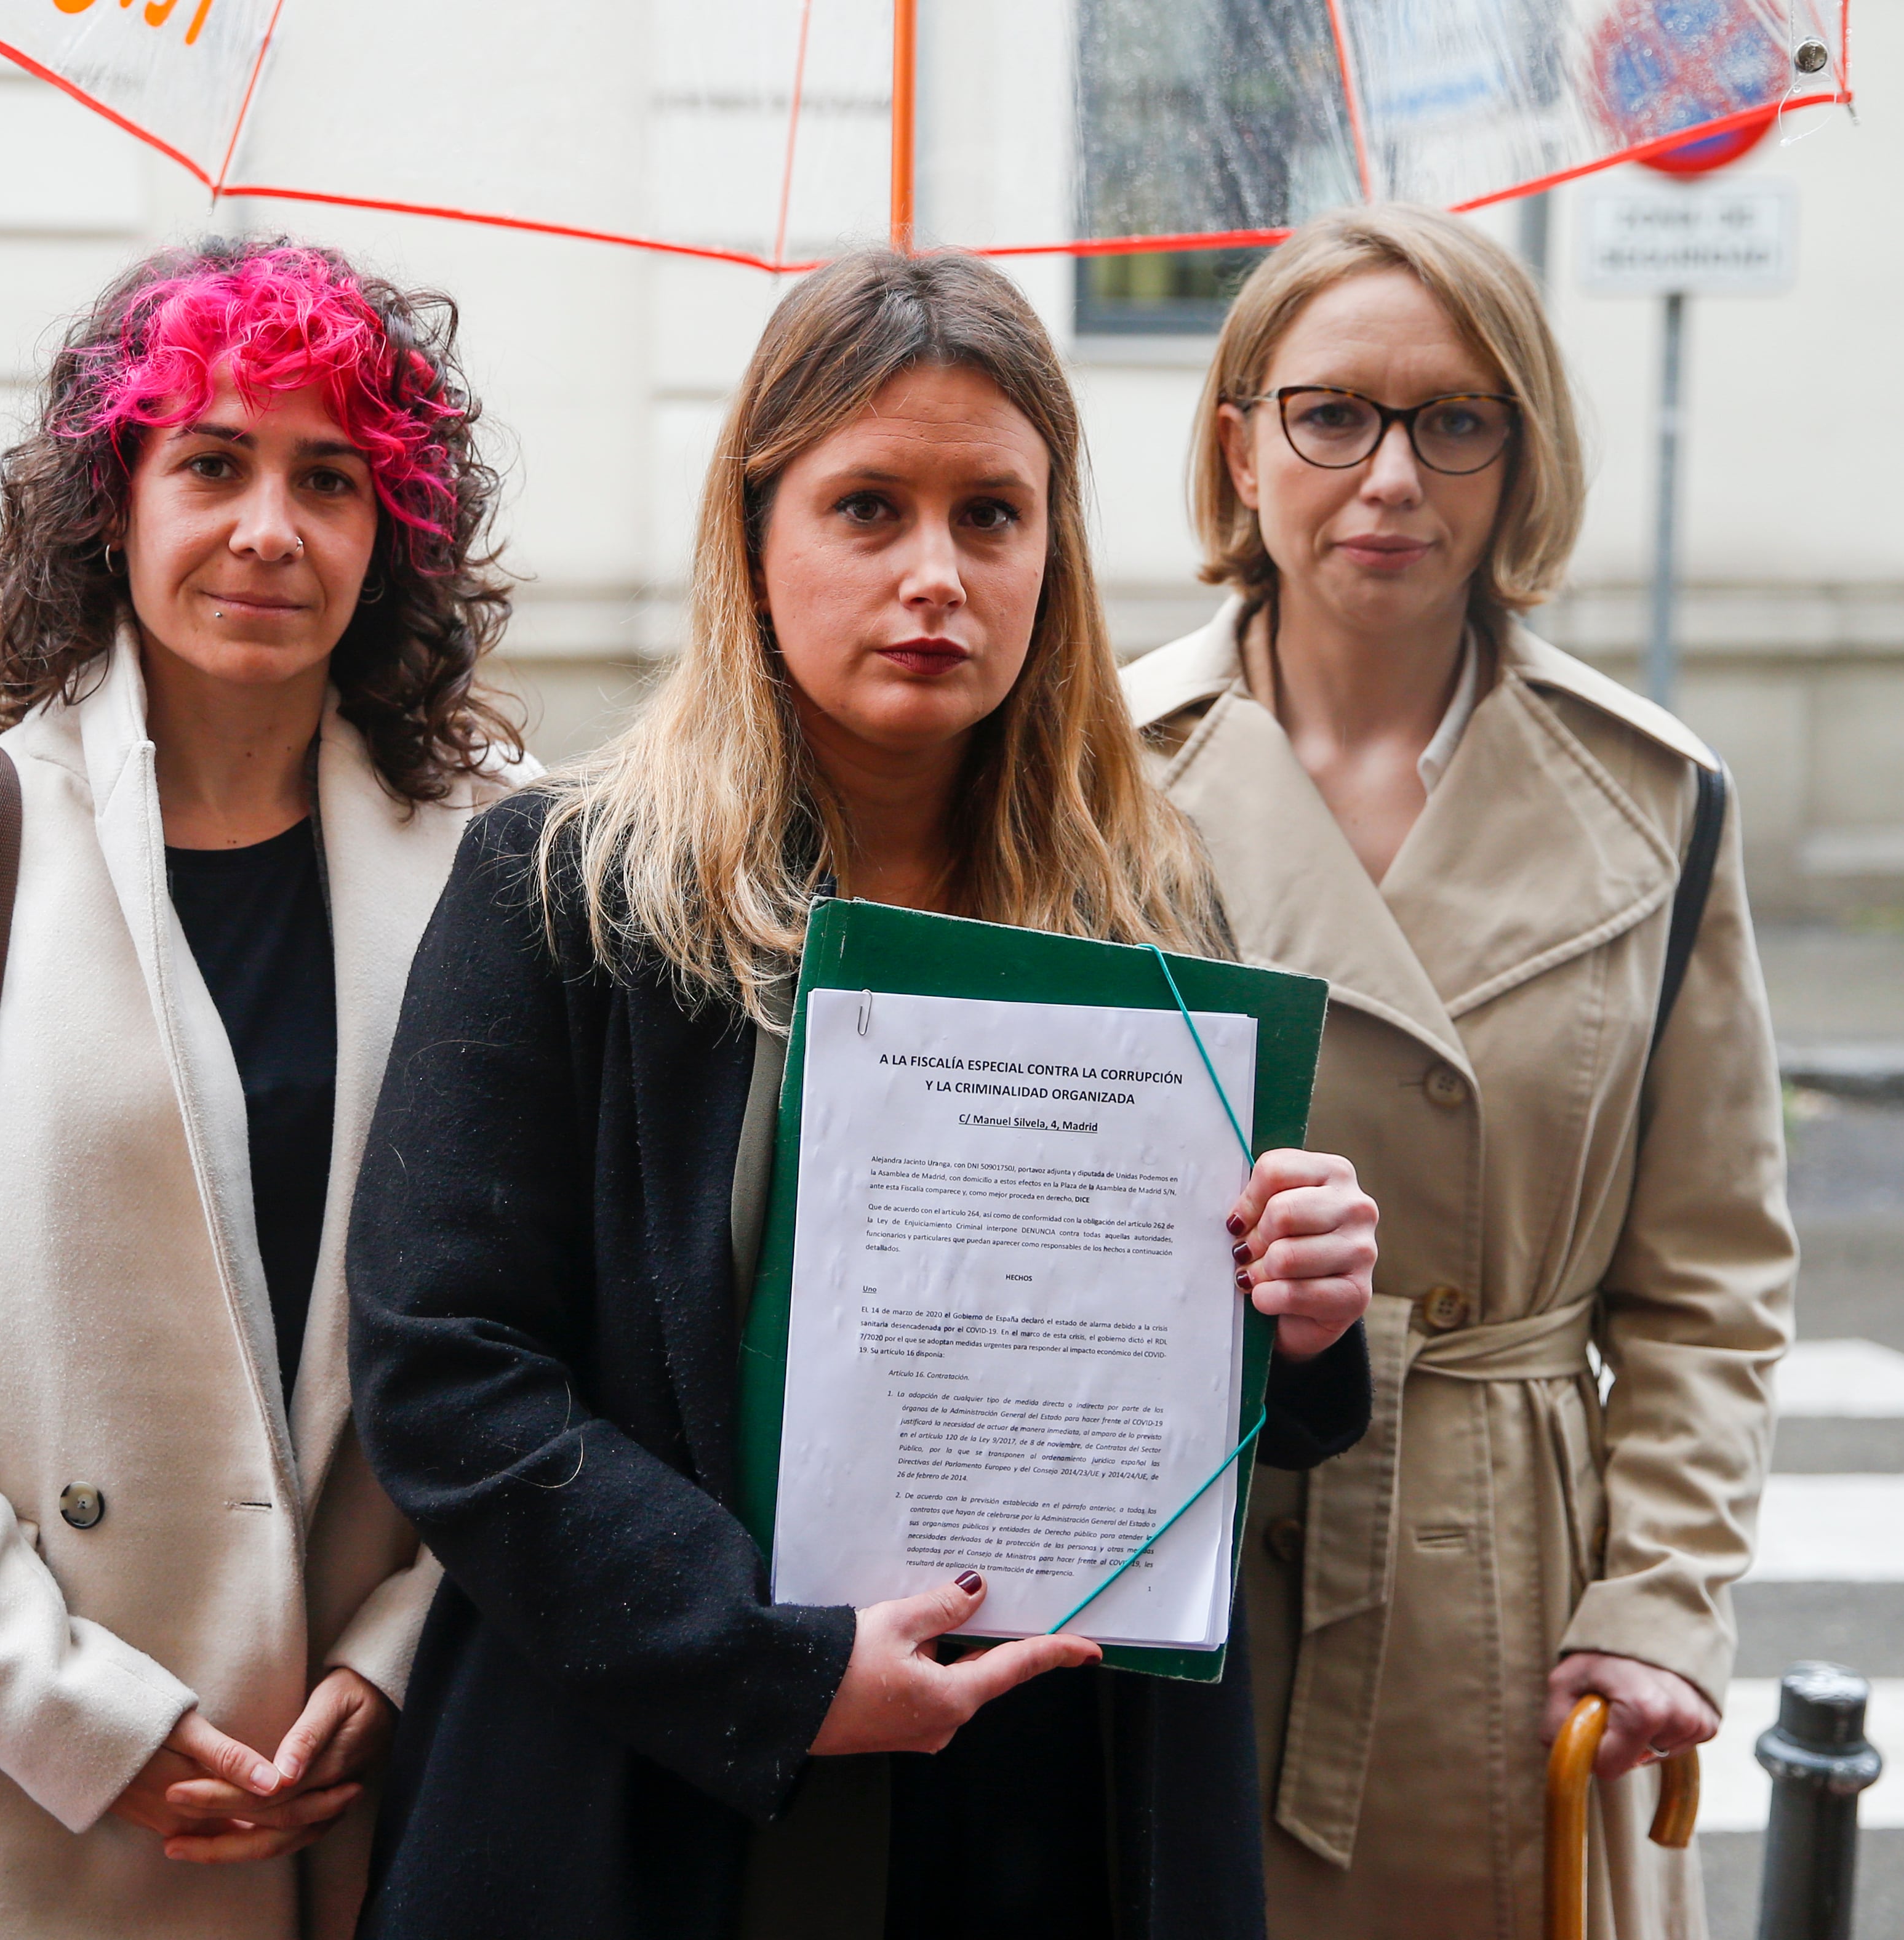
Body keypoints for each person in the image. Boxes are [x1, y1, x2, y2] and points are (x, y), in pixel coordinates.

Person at [333, 249, 1378, 1940]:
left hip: (1046, 1802)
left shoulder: (1145, 909)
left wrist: (1305, 1310)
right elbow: (446, 1372)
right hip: (642, 1799)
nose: (935, 576)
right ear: (754, 535)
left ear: (1053, 553)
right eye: (866, 508)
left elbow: (1203, 1397)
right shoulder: (565, 888)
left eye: (990, 516)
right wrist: (771, 1661)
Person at [0, 236, 530, 1939]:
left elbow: (550, 1325)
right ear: (113, 501)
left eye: (330, 477)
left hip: (357, 1784)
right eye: (212, 464)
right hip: (8, 1779)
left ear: (387, 528)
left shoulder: (496, 859)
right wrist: (86, 1715)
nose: (268, 529)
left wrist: (398, 1659)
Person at [1121, 204, 1797, 1939]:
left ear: (1518, 458)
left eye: (1454, 420)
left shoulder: (1652, 799)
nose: (1388, 477)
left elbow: (1710, 1277)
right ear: (1237, 440)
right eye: (1330, 413)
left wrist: (1657, 1602)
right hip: (1175, 1554)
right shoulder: (1090, 774)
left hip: (1509, 1578)